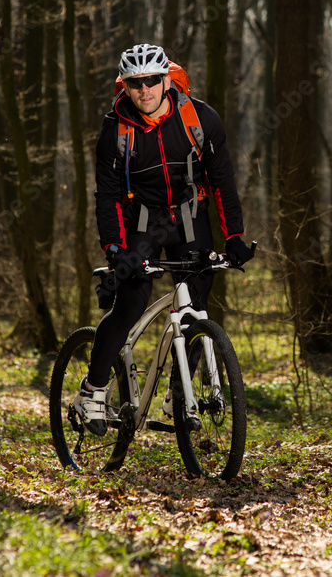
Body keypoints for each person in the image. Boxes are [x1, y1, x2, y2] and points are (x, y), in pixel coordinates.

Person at [75, 43, 254, 436]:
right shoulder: (115, 131)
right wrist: (116, 248)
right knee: (130, 304)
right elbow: (106, 195)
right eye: (136, 84)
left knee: (194, 307)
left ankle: (179, 392)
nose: (145, 90)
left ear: (166, 79)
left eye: (152, 81)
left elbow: (222, 179)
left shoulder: (200, 117)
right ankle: (94, 389)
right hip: (140, 223)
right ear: (125, 86)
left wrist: (235, 235)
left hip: (190, 219)